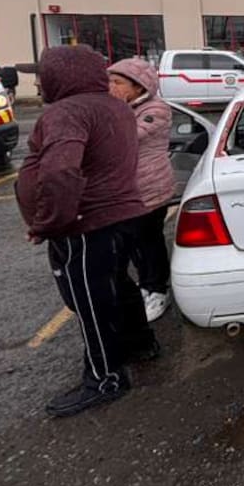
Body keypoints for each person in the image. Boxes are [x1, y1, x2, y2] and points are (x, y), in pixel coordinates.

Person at [16, 46, 155, 418]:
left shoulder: (67, 112)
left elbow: (60, 172)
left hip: (85, 224)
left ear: (62, 75)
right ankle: (141, 344)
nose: (38, 83)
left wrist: (49, 222)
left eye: (42, 75)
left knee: (90, 301)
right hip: (123, 215)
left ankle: (105, 378)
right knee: (119, 286)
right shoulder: (115, 107)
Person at [107, 57, 175, 322]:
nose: (112, 87)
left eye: (118, 82)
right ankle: (146, 284)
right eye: (110, 81)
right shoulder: (122, 108)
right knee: (134, 242)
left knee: (149, 241)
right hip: (127, 192)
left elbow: (123, 138)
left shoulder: (156, 109)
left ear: (138, 86)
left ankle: (157, 288)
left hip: (150, 189)